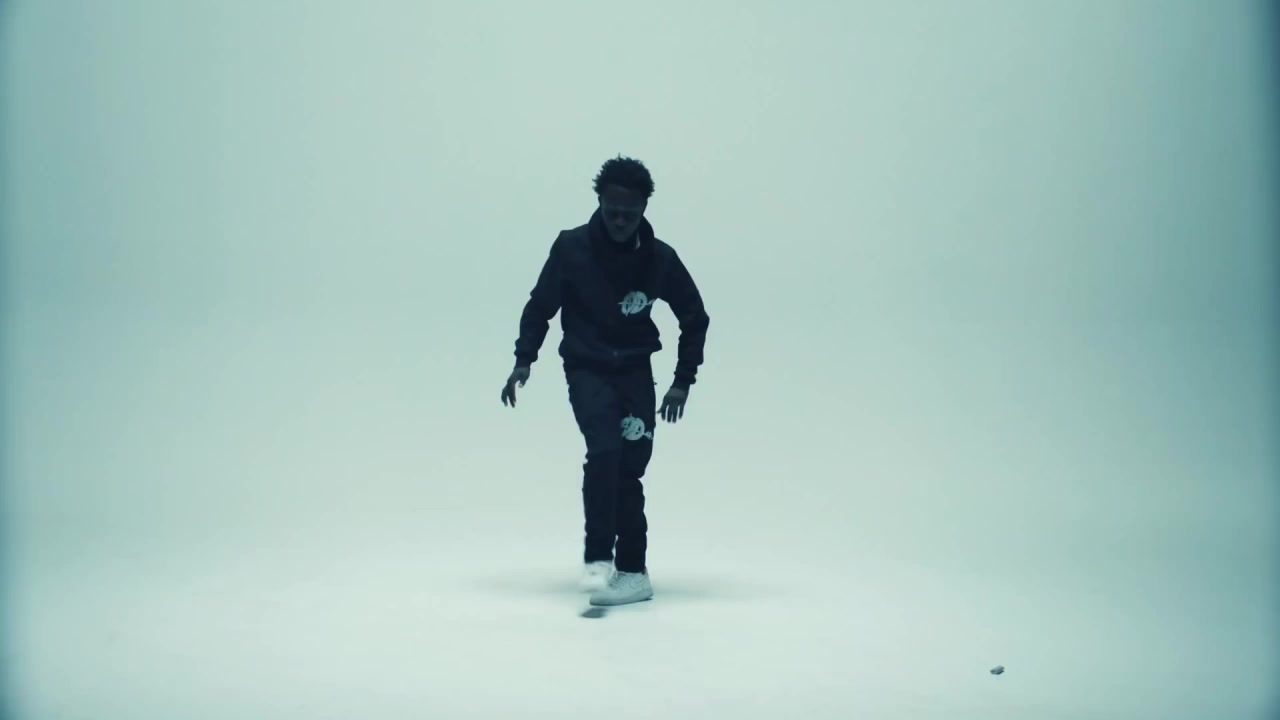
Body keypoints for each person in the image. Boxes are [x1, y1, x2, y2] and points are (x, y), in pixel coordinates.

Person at [500, 156, 710, 607]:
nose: (619, 221)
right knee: (604, 450)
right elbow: (540, 306)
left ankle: (633, 572)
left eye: (629, 214)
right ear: (599, 202)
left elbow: (695, 317)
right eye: (612, 211)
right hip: (587, 366)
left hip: (635, 370)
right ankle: (597, 560)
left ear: (644, 209)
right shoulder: (571, 248)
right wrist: (524, 359)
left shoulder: (660, 259)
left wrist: (682, 381)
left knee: (629, 469)